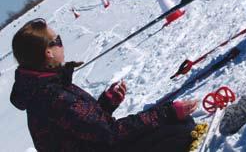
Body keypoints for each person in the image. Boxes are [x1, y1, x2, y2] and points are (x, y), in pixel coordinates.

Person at [10, 18, 198, 152]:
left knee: (173, 124)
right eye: (57, 41)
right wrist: (168, 112)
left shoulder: (47, 86)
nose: (62, 44)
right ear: (48, 53)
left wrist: (106, 104)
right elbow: (111, 133)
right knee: (180, 129)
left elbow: (84, 128)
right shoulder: (52, 95)